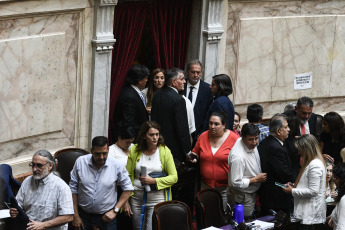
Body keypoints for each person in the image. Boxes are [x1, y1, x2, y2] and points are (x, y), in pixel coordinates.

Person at [151, 67, 193, 210]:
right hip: (174, 153)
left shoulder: (157, 96)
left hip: (157, 148)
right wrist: (187, 152)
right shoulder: (178, 100)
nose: (184, 82)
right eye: (182, 79)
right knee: (175, 190)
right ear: (174, 82)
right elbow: (182, 129)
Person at [70, 136, 133, 230]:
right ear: (91, 151)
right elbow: (72, 189)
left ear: (108, 149)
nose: (101, 157)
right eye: (97, 154)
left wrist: (115, 210)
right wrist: (75, 215)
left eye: (104, 153)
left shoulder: (117, 165)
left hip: (107, 218)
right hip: (83, 216)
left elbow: (128, 188)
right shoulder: (80, 162)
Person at [125, 121, 177, 230]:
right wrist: (126, 200)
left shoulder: (164, 151)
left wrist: (153, 181)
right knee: (137, 228)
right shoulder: (135, 149)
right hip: (136, 198)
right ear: (144, 136)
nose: (155, 138)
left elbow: (174, 177)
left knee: (150, 228)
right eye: (151, 135)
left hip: (156, 198)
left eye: (157, 134)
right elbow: (127, 175)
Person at [9, 150, 74, 230]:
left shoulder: (61, 187)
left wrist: (43, 225)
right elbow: (19, 204)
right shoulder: (27, 181)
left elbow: (68, 217)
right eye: (33, 165)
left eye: (39, 165)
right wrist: (15, 211)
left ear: (50, 165)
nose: (35, 169)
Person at [188, 111, 239, 208]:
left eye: (216, 124)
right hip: (205, 186)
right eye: (210, 123)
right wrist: (192, 157)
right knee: (206, 215)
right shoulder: (203, 136)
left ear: (224, 125)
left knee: (222, 216)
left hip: (225, 188)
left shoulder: (234, 138)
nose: (212, 126)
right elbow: (195, 152)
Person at [282, 134, 326, 229]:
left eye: (300, 149)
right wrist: (294, 185)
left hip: (311, 213)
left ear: (307, 149)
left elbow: (313, 191)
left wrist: (292, 191)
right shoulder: (311, 162)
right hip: (307, 212)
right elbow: (307, 183)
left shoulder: (315, 165)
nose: (298, 153)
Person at [228, 123, 267, 218]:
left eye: (256, 138)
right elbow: (235, 182)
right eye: (251, 139)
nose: (254, 142)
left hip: (250, 192)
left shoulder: (245, 142)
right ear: (243, 137)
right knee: (244, 221)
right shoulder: (238, 157)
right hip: (242, 195)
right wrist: (255, 180)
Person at [258, 113, 293, 215]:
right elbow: (284, 174)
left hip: (269, 195)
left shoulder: (266, 142)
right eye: (286, 127)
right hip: (277, 198)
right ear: (278, 131)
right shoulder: (275, 148)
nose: (289, 129)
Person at [113, 65, 150, 141]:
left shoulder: (133, 91)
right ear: (139, 80)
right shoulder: (129, 96)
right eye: (146, 78)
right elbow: (128, 122)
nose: (147, 80)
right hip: (133, 140)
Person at [181, 60, 213, 141]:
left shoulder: (207, 89)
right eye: (193, 72)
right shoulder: (180, 86)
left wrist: (202, 133)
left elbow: (208, 114)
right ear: (187, 72)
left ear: (201, 73)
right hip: (180, 130)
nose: (196, 75)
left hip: (199, 133)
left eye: (198, 72)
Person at [328, 163, 345, 229]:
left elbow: (341, 227)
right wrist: (332, 217)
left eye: (337, 178)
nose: (334, 181)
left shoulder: (344, 199)